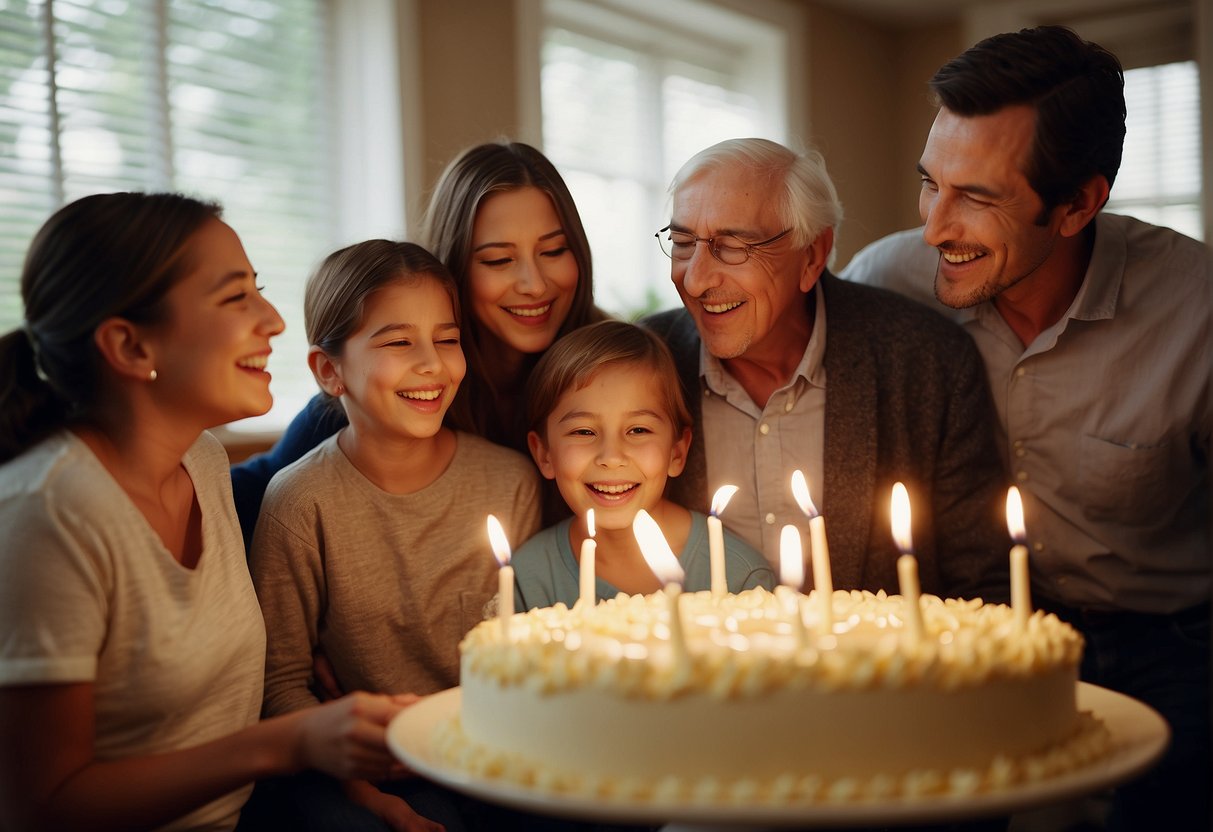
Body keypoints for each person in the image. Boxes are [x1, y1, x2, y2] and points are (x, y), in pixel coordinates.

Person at [842, 25, 1211, 831]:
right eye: (928, 184)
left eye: (975, 197)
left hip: (1167, 646)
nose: (935, 227)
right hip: (969, 631)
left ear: (1078, 203)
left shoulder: (1198, 312)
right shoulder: (884, 284)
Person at [0, 193, 412, 832]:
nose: (273, 320)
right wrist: (292, 742)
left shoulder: (204, 460)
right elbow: (41, 805)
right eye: (234, 297)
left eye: (260, 290)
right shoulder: (49, 515)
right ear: (130, 347)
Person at [249, 240, 542, 829]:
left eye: (448, 338)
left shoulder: (510, 480)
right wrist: (367, 794)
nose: (432, 364)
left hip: (505, 754)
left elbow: (538, 645)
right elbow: (280, 683)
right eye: (398, 342)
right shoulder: (299, 501)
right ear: (330, 370)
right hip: (382, 775)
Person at [643, 137, 1011, 602]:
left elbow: (983, 585)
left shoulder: (926, 360)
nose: (694, 280)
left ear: (813, 255)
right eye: (682, 243)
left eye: (733, 246)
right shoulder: (645, 364)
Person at [231, 140, 609, 545]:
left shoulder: (613, 366)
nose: (534, 284)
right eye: (498, 260)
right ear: (453, 267)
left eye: (553, 250)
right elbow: (261, 491)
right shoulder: (389, 393)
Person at [514, 320, 775, 610]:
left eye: (638, 430)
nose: (611, 457)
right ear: (544, 454)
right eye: (583, 432)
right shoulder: (526, 581)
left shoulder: (740, 580)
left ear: (677, 452)